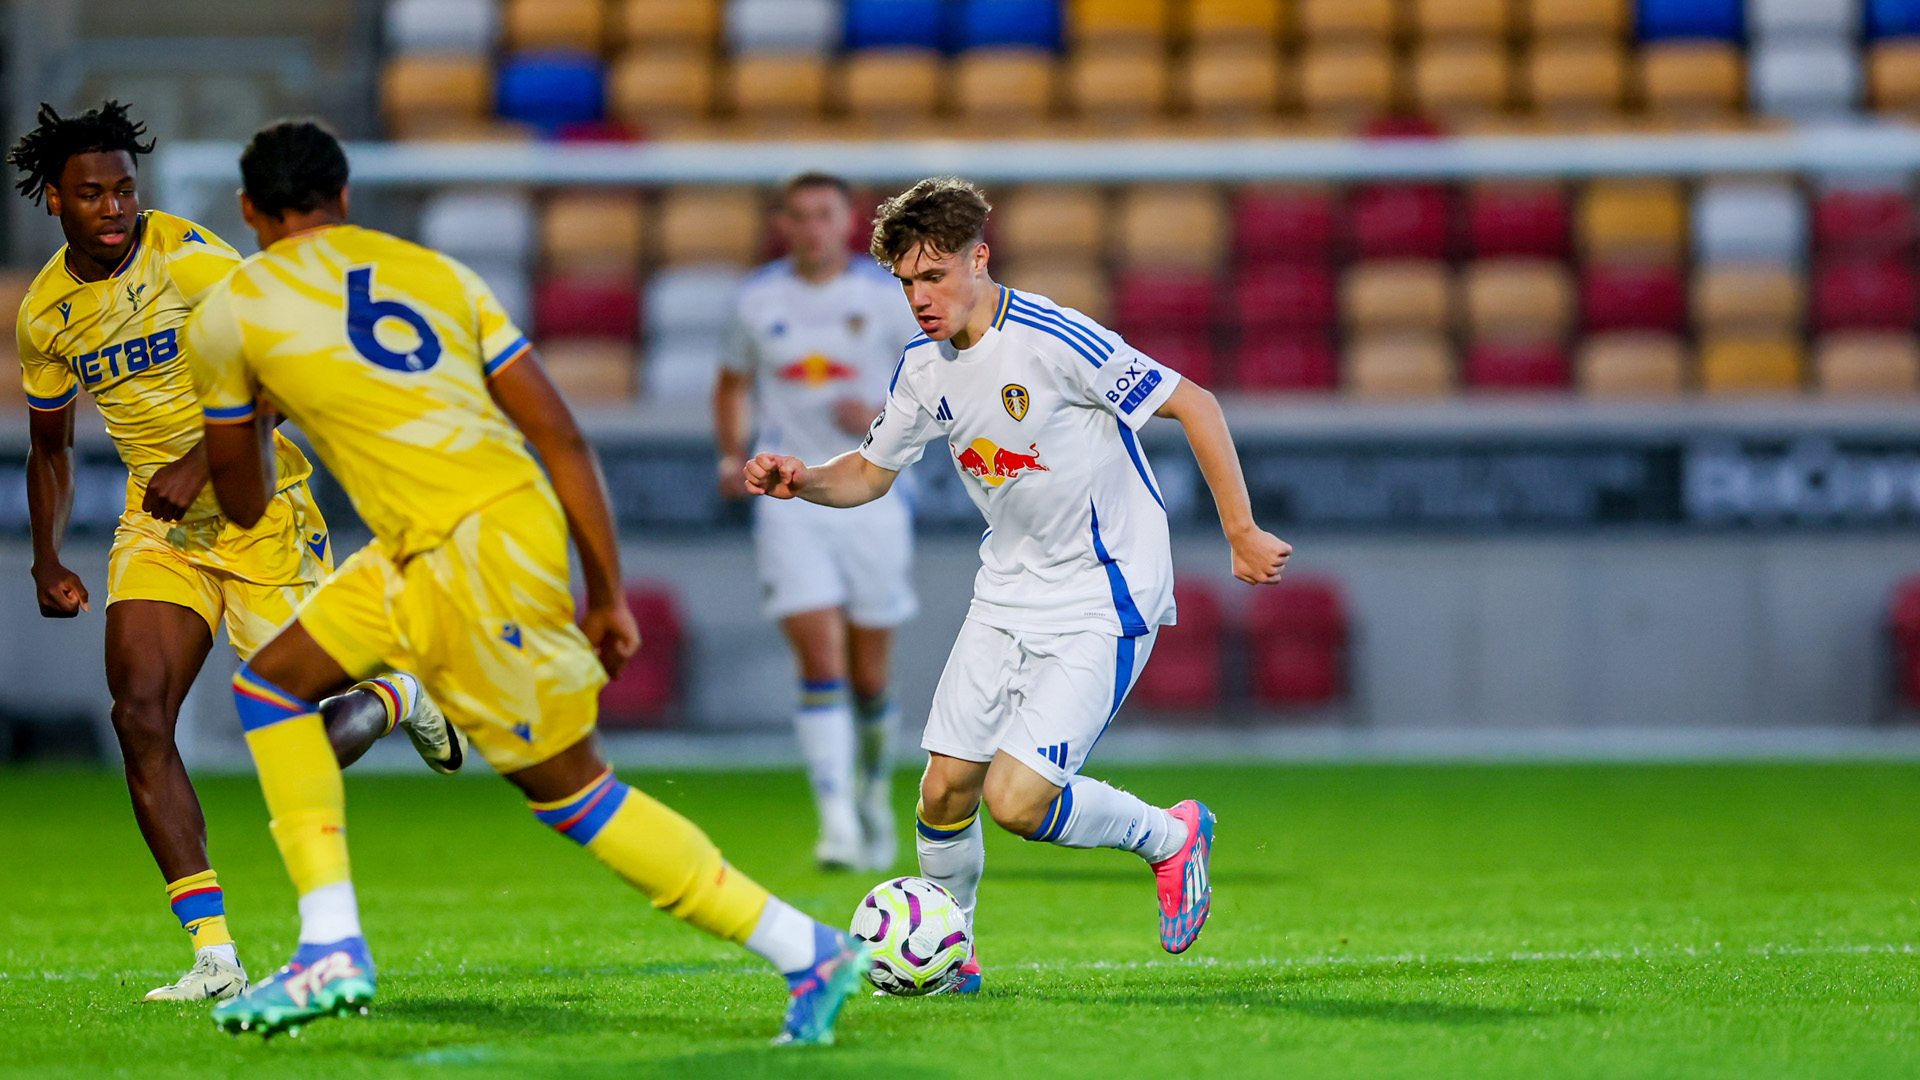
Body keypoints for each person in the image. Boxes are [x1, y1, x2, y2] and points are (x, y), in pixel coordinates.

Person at [184, 120, 870, 1045]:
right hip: (460, 536)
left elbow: (241, 503)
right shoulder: (437, 273)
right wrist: (606, 591)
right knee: (269, 685)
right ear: (344, 198)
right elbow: (560, 435)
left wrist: (262, 414)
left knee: (573, 790)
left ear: (248, 210)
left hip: (466, 553)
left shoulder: (229, 311)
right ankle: (330, 944)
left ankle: (805, 948)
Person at [745, 177, 1292, 993]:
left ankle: (1172, 837)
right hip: (1008, 589)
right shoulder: (922, 368)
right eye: (906, 282)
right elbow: (867, 473)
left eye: (934, 276)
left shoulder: (1054, 338)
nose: (919, 298)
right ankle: (954, 955)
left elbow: (1197, 403)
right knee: (942, 793)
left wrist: (1240, 531)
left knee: (1017, 802)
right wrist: (802, 479)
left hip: (1105, 592)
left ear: (980, 259)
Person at [6, 101, 461, 1004]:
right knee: (139, 717)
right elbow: (50, 447)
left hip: (261, 510)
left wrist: (198, 462)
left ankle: (399, 692)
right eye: (92, 194)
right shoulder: (46, 314)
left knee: (305, 739)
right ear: (54, 199)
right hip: (160, 526)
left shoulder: (193, 260)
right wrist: (46, 558)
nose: (114, 207)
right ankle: (214, 957)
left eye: (125, 189)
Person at [714, 172, 920, 872]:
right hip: (790, 498)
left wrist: (882, 415)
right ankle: (835, 825)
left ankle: (872, 794)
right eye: (798, 215)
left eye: (823, 214)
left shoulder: (885, 296)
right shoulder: (756, 300)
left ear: (847, 220)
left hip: (873, 499)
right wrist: (730, 454)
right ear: (784, 223)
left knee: (869, 674)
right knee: (820, 659)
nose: (811, 228)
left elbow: (934, 380)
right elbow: (732, 381)